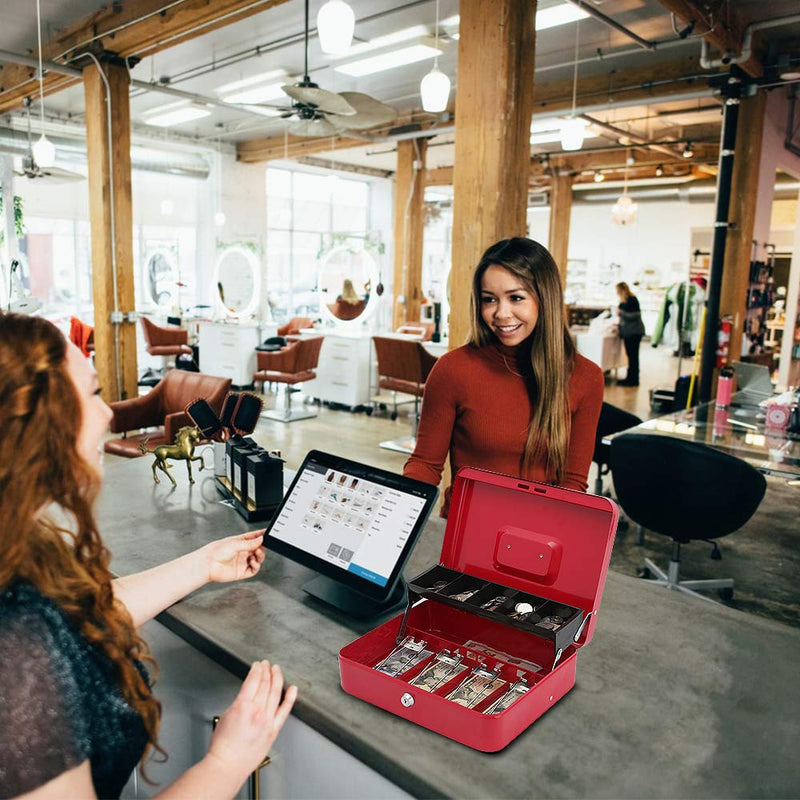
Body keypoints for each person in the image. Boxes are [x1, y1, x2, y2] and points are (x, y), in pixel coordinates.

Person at [0, 313, 297, 799]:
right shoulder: (16, 650)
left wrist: (203, 564)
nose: (108, 415)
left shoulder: (18, 546)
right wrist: (228, 761)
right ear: (36, 421)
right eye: (94, 393)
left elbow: (77, 618)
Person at [404, 237, 604, 514]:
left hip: (538, 536)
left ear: (545, 299)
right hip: (462, 532)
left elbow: (573, 483)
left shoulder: (586, 377)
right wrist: (397, 516)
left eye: (516, 297)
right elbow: (425, 465)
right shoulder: (453, 369)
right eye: (489, 300)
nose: (501, 313)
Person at [615, 281, 646, 386]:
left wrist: (622, 313)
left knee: (633, 356)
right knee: (631, 356)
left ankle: (633, 379)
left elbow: (635, 315)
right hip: (628, 332)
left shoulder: (632, 300)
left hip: (634, 333)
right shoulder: (624, 301)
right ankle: (630, 378)